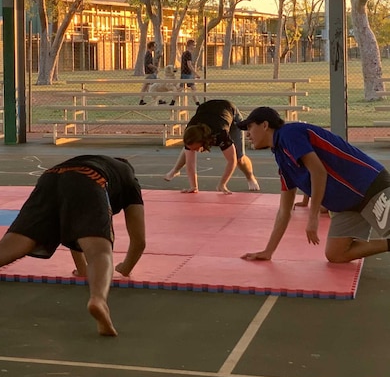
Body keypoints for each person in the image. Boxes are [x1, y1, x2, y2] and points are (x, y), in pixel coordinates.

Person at [0, 155, 146, 337]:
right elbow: (138, 241)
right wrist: (125, 268)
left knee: (10, 246)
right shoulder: (128, 179)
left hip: (50, 177)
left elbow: (73, 225)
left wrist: (82, 270)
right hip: (90, 179)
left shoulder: (99, 164)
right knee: (99, 249)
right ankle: (99, 300)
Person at [237, 107, 390, 264]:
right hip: (347, 207)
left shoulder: (289, 133)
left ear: (264, 125)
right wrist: (268, 251)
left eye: (249, 127)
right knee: (336, 254)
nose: (247, 134)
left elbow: (318, 172)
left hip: (370, 187)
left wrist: (313, 217)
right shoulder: (282, 158)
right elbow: (284, 211)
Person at [163, 99, 260, 194]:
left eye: (197, 148)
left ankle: (250, 177)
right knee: (188, 149)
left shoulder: (220, 133)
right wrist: (194, 186)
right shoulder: (190, 131)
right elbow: (190, 163)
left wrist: (222, 184)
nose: (196, 151)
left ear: (204, 141)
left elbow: (232, 161)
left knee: (239, 158)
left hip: (229, 111)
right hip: (208, 110)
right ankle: (176, 170)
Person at [138, 41, 159, 105]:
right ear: (151, 46)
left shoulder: (149, 54)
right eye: (154, 46)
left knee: (145, 87)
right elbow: (148, 64)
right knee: (155, 86)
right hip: (150, 74)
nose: (155, 48)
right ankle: (158, 99)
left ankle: (141, 100)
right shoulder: (148, 54)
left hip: (149, 73)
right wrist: (155, 68)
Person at [179, 39, 199, 105]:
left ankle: (173, 101)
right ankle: (197, 103)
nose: (194, 46)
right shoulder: (188, 53)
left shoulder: (184, 53)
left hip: (183, 73)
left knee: (180, 88)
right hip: (187, 74)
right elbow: (189, 65)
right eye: (193, 45)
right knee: (193, 88)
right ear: (189, 45)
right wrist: (196, 73)